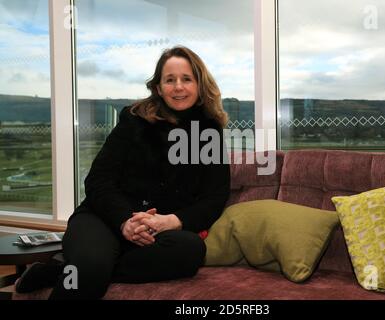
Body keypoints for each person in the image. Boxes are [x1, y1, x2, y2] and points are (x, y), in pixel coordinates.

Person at [15, 46, 231, 299]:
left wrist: (171, 221)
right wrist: (125, 221)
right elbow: (98, 180)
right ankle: (88, 267)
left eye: (186, 79)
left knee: (191, 251)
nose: (178, 87)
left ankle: (58, 272)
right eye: (169, 80)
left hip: (157, 230)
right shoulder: (134, 119)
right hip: (104, 218)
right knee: (92, 265)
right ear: (159, 88)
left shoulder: (209, 132)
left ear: (199, 85)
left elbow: (215, 197)